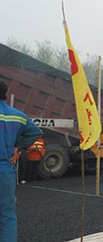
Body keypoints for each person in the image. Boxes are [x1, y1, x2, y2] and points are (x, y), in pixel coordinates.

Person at [0, 80, 43, 241]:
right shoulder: (17, 115)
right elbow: (36, 132)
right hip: (6, 169)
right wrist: (18, 146)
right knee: (7, 216)